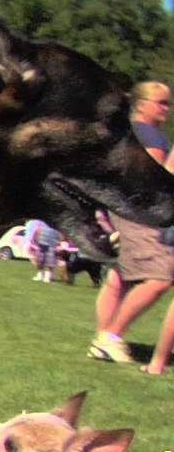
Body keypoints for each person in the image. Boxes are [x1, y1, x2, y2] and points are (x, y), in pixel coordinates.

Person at [91, 81, 174, 365]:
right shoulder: (149, 136)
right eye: (161, 102)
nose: (166, 109)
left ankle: (103, 339)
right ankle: (111, 337)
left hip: (116, 208)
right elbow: (150, 179)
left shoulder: (123, 131)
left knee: (118, 279)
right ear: (142, 104)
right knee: (159, 278)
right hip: (139, 212)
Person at [24, 219, 61, 283]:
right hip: (43, 245)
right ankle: (42, 276)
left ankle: (46, 277)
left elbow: (60, 237)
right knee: (42, 261)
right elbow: (36, 231)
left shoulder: (55, 228)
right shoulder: (43, 225)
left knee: (48, 262)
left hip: (49, 245)